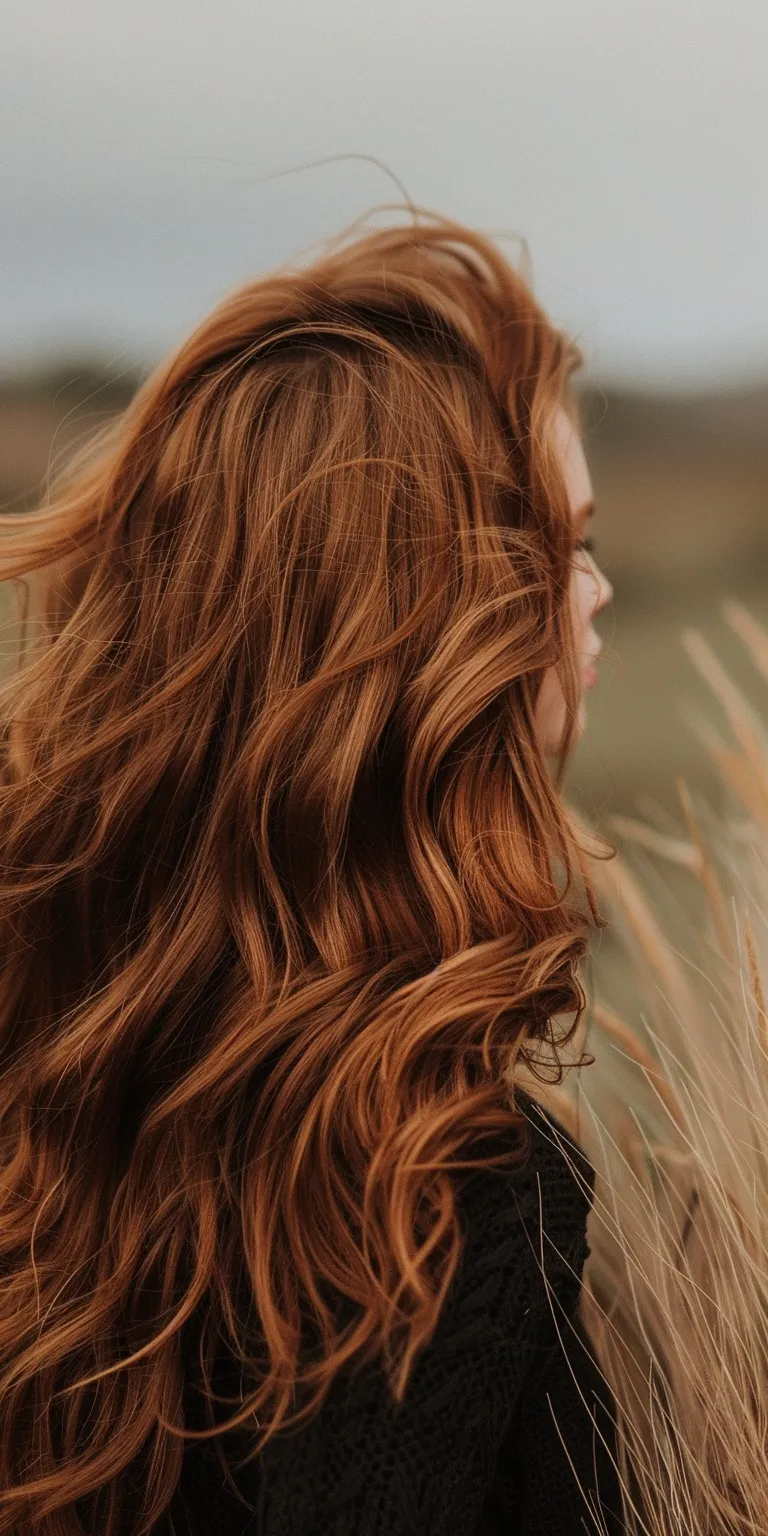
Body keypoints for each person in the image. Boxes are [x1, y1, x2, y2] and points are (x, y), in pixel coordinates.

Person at [0, 210, 620, 1534]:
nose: (599, 591)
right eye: (560, 548)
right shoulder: (448, 1192)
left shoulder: (50, 1065)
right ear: (431, 632)